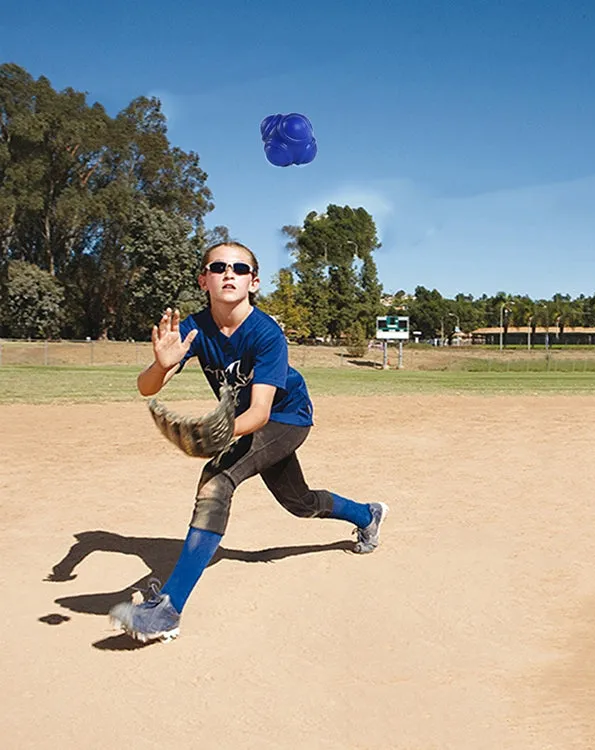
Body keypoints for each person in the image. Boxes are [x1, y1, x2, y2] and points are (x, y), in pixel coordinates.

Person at [109, 241, 389, 643]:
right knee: (300, 503)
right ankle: (367, 515)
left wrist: (215, 435)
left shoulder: (266, 333)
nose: (229, 273)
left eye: (239, 268)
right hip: (248, 422)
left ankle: (168, 610)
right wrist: (161, 364)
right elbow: (145, 387)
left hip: (287, 417)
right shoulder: (193, 328)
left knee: (216, 480)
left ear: (253, 282)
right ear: (203, 279)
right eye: (218, 266)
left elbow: (260, 413)